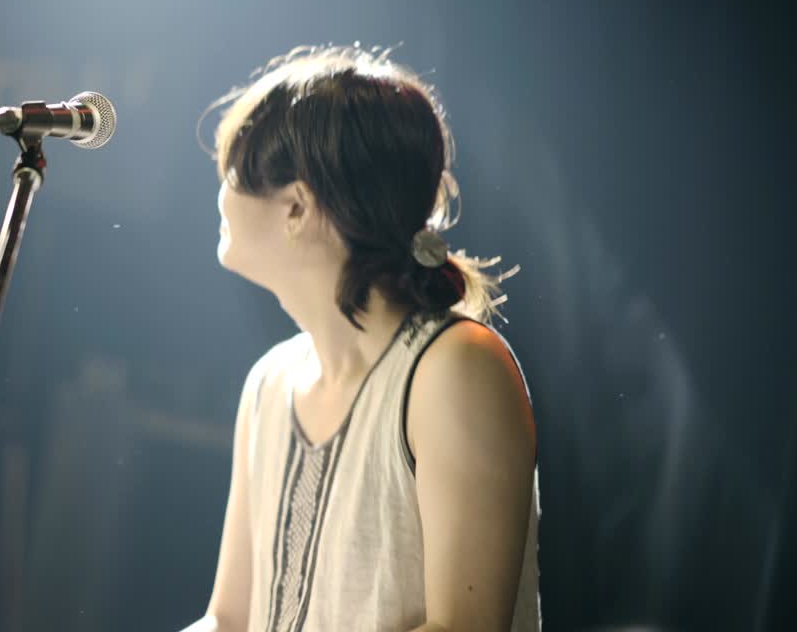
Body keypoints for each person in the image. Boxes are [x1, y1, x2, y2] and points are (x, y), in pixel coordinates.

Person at [184, 45, 541, 632]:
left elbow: (465, 627)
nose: (219, 195)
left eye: (233, 175)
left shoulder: (455, 368)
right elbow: (229, 620)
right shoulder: (270, 383)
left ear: (296, 207)